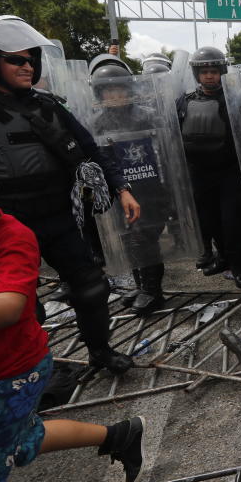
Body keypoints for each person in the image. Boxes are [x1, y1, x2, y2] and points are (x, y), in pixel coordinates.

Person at [0, 135, 145, 482]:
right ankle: (119, 436)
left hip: (7, 374)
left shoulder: (10, 239)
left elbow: (8, 307)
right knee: (22, 438)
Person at [0, 16, 136, 375]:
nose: (27, 66)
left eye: (30, 59)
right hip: (3, 223)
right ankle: (32, 371)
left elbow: (90, 149)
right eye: (16, 59)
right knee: (22, 306)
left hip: (59, 216)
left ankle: (101, 352)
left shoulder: (48, 106)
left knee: (91, 287)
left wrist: (121, 187)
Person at [177, 46, 241, 289]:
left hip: (229, 172)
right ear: (196, 74)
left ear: (221, 71)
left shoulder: (233, 97)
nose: (209, 75)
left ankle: (238, 266)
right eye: (204, 71)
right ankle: (222, 259)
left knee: (231, 222)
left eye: (213, 71)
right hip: (199, 172)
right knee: (209, 221)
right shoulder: (185, 101)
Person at [89, 62, 171, 316]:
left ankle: (153, 291)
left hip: (149, 188)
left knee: (143, 237)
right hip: (118, 190)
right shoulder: (98, 122)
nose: (115, 96)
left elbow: (165, 152)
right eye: (108, 91)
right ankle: (141, 284)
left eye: (119, 90)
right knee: (129, 239)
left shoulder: (146, 116)